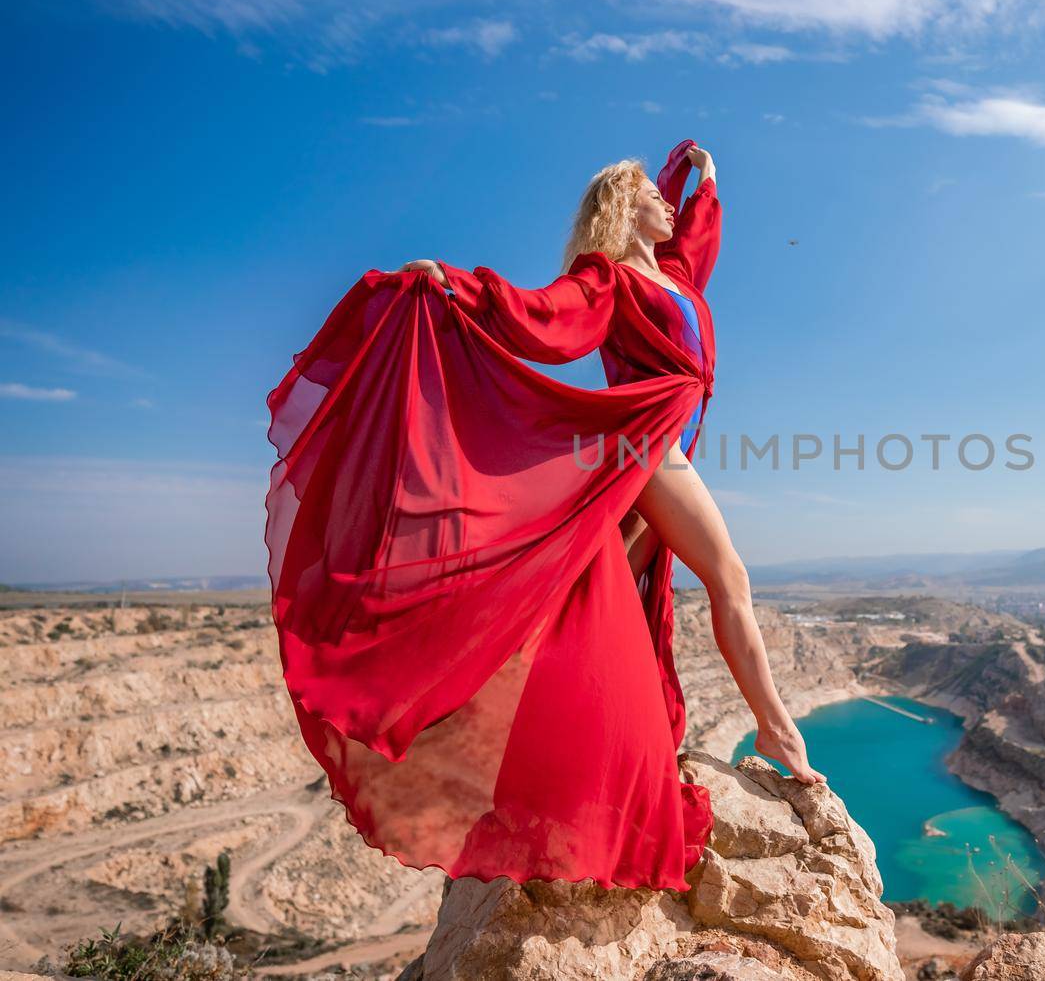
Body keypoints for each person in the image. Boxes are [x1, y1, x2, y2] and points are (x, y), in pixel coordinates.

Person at [264, 139, 819, 894]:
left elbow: (695, 235)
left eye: (668, 200)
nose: (667, 205)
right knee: (731, 576)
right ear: (624, 209)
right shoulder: (608, 279)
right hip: (647, 447)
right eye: (651, 197)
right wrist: (458, 288)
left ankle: (551, 778)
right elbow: (542, 316)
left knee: (597, 615)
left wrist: (703, 177)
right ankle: (777, 725)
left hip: (663, 451)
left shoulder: (678, 275)